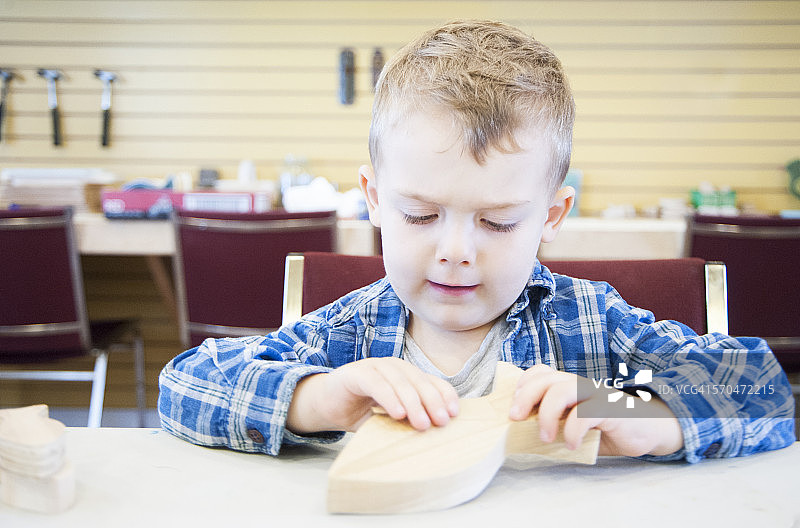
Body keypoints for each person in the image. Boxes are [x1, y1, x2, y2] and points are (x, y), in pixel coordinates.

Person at [158, 20, 795, 463]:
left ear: (551, 215)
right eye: (419, 215)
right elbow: (185, 384)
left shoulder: (589, 329)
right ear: (375, 198)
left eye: (497, 222)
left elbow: (761, 389)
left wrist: (640, 413)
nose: (455, 250)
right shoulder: (345, 338)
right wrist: (318, 398)